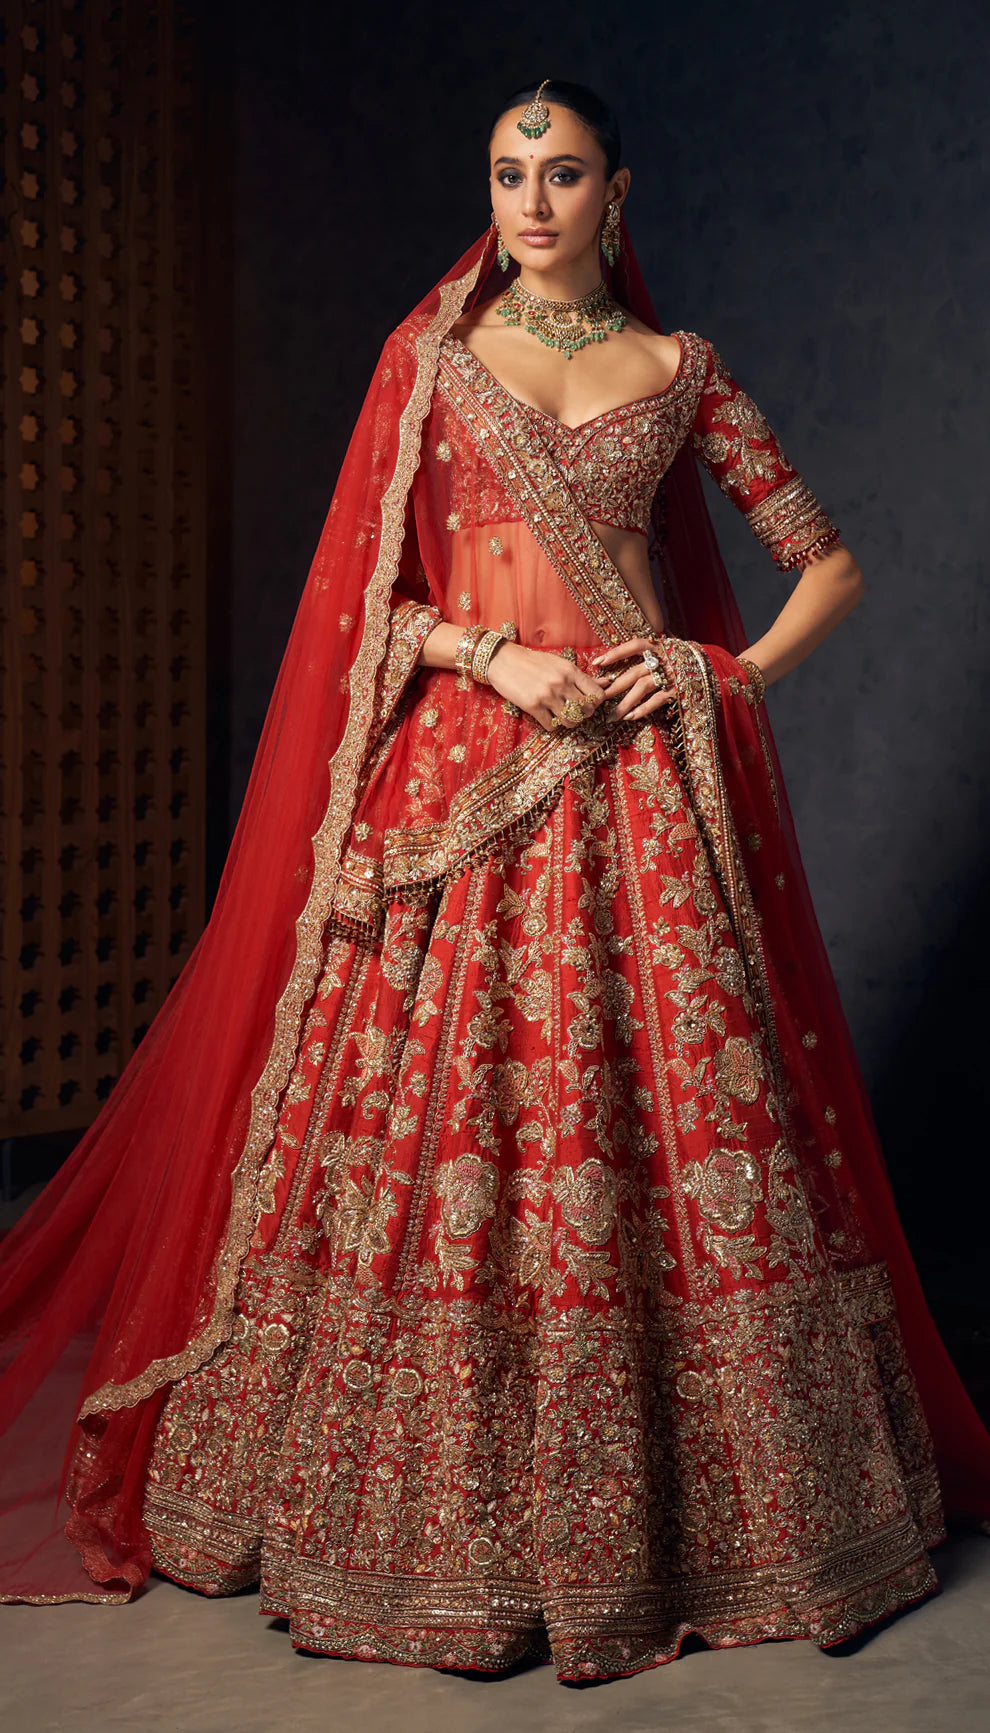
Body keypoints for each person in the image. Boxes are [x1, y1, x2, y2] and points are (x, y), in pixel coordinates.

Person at [2, 76, 989, 1684]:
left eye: (563, 172)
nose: (529, 200)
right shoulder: (431, 365)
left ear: (618, 193)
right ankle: (408, 1520)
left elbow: (828, 558)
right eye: (506, 172)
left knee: (657, 1118)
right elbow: (365, 608)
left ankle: (706, 1513)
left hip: (643, 806)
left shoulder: (679, 373)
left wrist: (713, 669)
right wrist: (490, 660)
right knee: (438, 1130)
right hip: (461, 784)